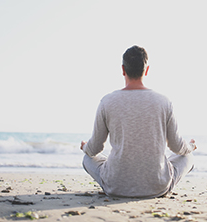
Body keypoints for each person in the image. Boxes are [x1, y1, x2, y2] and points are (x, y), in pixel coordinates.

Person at [80, 45, 196, 198]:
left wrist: (85, 147)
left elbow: (94, 148)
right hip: (157, 187)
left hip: (115, 185)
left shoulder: (107, 101)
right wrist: (191, 146)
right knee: (188, 157)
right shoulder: (163, 102)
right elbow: (177, 147)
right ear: (146, 70)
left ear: (123, 69)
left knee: (87, 158)